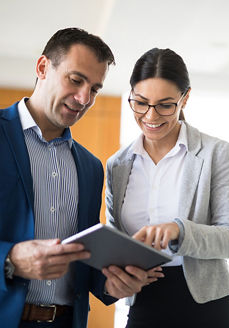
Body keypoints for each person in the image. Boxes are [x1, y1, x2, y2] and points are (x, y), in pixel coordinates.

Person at [0, 28, 161, 328]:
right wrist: (9, 259)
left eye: (95, 88)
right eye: (75, 80)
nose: (84, 98)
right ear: (43, 67)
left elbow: (83, 255)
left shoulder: (90, 167)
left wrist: (111, 284)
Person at [105, 48, 229, 328]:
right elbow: (117, 241)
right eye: (141, 102)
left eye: (165, 105)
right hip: (143, 300)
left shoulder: (214, 153)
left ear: (185, 98)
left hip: (206, 305)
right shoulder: (117, 165)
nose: (150, 115)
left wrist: (179, 230)